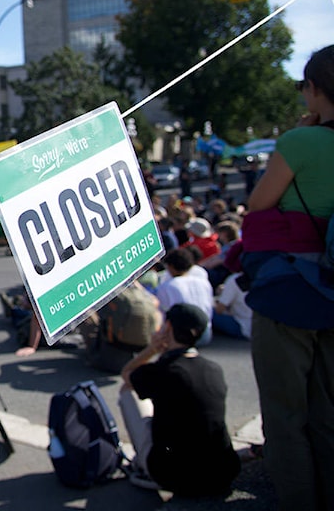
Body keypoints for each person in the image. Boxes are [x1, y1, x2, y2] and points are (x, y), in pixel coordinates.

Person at [245, 44, 334, 510]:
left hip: (295, 288)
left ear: (315, 90)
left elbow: (259, 205)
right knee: (328, 413)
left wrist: (302, 135)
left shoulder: (301, 143)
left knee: (285, 415)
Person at [118, 303, 240, 496]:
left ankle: (143, 465)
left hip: (174, 475)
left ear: (168, 328)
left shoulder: (165, 370)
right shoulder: (214, 369)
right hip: (222, 473)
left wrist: (152, 349)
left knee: (127, 390)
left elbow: (127, 373)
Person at [154, 248, 213, 346]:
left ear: (171, 266)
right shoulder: (203, 282)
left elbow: (162, 316)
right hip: (206, 334)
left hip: (181, 337)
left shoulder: (168, 286)